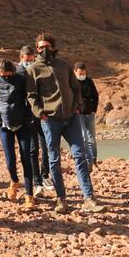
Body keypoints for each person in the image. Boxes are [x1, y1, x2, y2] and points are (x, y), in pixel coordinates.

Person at [25, 35, 103, 213]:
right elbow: (31, 95)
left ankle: (89, 198)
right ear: (36, 49)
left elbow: (75, 88)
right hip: (50, 120)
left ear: (53, 47)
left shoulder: (64, 65)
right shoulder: (33, 69)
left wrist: (77, 107)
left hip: (71, 118)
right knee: (54, 159)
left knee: (80, 155)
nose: (44, 50)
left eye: (47, 46)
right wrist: (40, 113)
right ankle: (61, 199)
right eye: (40, 47)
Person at [0, 60, 37, 206]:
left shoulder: (21, 80)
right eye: (3, 75)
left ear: (13, 72)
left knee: (26, 158)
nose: (6, 78)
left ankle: (29, 195)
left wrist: (29, 118)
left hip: (23, 124)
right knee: (10, 159)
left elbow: (29, 100)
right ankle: (14, 182)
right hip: (4, 125)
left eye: (8, 75)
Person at [19, 44, 52, 192]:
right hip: (27, 115)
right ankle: (36, 180)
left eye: (31, 60)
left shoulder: (38, 70)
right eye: (27, 61)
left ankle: (45, 175)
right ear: (21, 59)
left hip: (41, 112)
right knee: (33, 148)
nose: (29, 63)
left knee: (47, 145)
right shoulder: (18, 73)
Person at [75, 61, 100, 167]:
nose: (82, 75)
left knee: (92, 138)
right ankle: (88, 160)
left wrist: (94, 109)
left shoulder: (89, 81)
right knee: (84, 138)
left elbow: (95, 95)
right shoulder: (72, 82)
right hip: (79, 114)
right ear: (75, 72)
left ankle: (94, 159)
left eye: (83, 73)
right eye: (80, 73)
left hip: (90, 113)